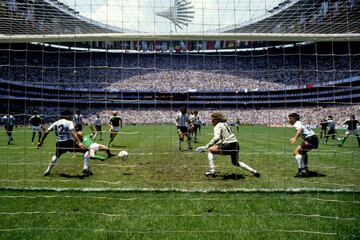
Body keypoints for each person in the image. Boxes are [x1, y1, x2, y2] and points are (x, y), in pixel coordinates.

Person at [196, 112, 260, 177]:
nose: (211, 121)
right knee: (235, 163)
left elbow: (216, 138)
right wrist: (216, 145)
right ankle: (253, 171)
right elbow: (223, 139)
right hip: (236, 145)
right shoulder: (226, 124)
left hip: (228, 145)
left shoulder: (218, 125)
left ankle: (212, 171)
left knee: (210, 150)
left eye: (212, 119)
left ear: (217, 119)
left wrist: (206, 147)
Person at [37, 110, 92, 176]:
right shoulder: (69, 122)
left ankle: (47, 171)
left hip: (59, 143)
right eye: (71, 116)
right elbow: (72, 132)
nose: (72, 117)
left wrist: (41, 142)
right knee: (87, 150)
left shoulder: (55, 123)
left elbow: (46, 132)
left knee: (56, 156)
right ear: (67, 116)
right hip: (69, 142)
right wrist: (79, 142)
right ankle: (85, 168)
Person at [288, 113, 318, 178]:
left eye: (290, 118)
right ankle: (305, 168)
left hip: (310, 139)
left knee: (296, 152)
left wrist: (294, 138)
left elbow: (299, 130)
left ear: (294, 119)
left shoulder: (297, 123)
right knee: (303, 152)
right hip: (313, 138)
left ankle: (302, 171)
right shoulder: (300, 123)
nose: (289, 120)